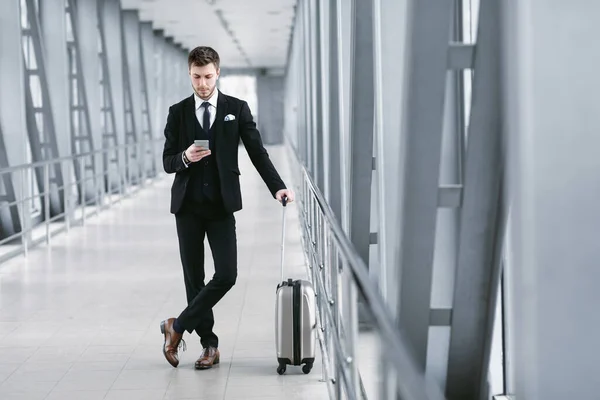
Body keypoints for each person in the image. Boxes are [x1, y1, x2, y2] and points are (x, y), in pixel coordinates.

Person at [160, 46, 294, 369]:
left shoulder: (237, 109)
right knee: (194, 279)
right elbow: (167, 161)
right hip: (188, 207)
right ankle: (210, 346)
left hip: (221, 206)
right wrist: (184, 158)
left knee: (227, 274)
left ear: (217, 73)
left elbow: (257, 153)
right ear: (189, 74)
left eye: (207, 77)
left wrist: (277, 186)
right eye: (196, 77)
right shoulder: (178, 112)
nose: (202, 84)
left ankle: (175, 327)